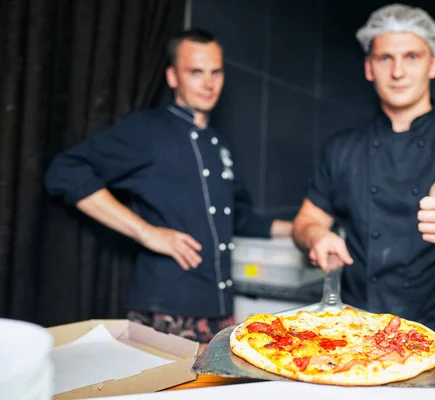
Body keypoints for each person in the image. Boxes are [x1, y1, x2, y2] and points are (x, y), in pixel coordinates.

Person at [45, 29, 293, 343]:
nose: (208, 83)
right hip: (165, 312)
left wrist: (301, 229)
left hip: (220, 310)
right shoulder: (147, 130)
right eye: (196, 72)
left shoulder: (221, 144)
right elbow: (65, 172)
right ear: (172, 76)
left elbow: (240, 217)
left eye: (216, 72)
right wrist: (145, 231)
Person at [292, 4, 435, 349]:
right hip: (355, 333)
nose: (398, 71)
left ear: (434, 64)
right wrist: (316, 236)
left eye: (411, 56)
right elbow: (305, 221)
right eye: (385, 58)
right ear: (369, 67)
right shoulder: (341, 147)